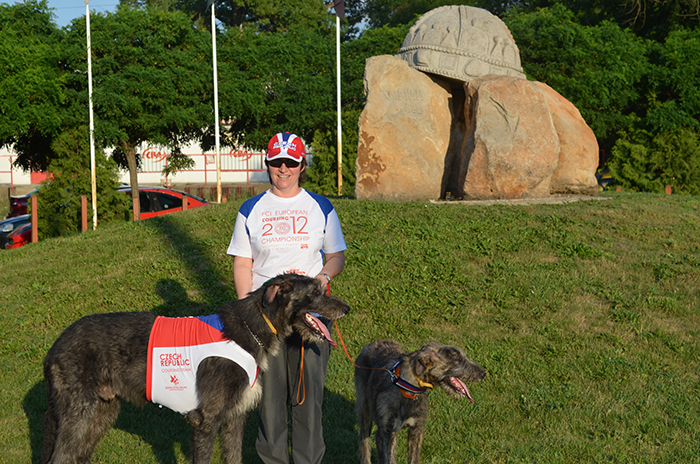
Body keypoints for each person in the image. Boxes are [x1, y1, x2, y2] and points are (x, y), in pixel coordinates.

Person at [226, 132, 346, 464]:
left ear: (301, 164)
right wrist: (245, 314)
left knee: (308, 399)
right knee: (269, 400)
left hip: (310, 315)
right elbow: (242, 262)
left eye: (290, 163)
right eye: (277, 162)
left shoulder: (320, 207)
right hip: (267, 319)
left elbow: (337, 255)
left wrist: (323, 279)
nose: (283, 169)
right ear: (268, 165)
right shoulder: (251, 209)